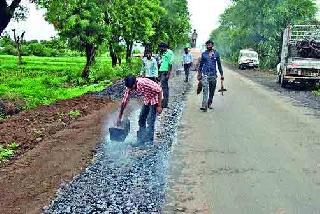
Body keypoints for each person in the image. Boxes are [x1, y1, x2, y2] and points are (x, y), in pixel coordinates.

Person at [117, 75, 163, 143]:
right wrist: (119, 117)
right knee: (141, 118)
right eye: (129, 88)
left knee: (150, 120)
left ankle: (149, 141)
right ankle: (141, 139)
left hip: (155, 97)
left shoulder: (144, 83)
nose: (130, 90)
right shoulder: (129, 86)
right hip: (147, 98)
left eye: (131, 87)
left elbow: (159, 90)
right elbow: (124, 102)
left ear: (135, 82)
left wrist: (159, 106)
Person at [198, 40, 224, 112]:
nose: (209, 46)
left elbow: (219, 65)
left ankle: (209, 103)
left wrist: (222, 74)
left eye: (210, 45)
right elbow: (201, 65)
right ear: (206, 46)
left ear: (212, 45)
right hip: (205, 74)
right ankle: (204, 105)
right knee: (205, 90)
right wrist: (199, 74)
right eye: (207, 45)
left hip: (213, 75)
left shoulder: (216, 54)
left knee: (212, 91)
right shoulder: (204, 54)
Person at [158, 42, 174, 108]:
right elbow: (161, 62)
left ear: (164, 47)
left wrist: (168, 73)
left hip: (165, 71)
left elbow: (170, 63)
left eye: (160, 47)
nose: (160, 49)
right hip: (161, 71)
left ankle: (165, 104)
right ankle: (163, 101)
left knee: (165, 88)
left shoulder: (170, 52)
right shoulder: (163, 53)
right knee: (162, 87)